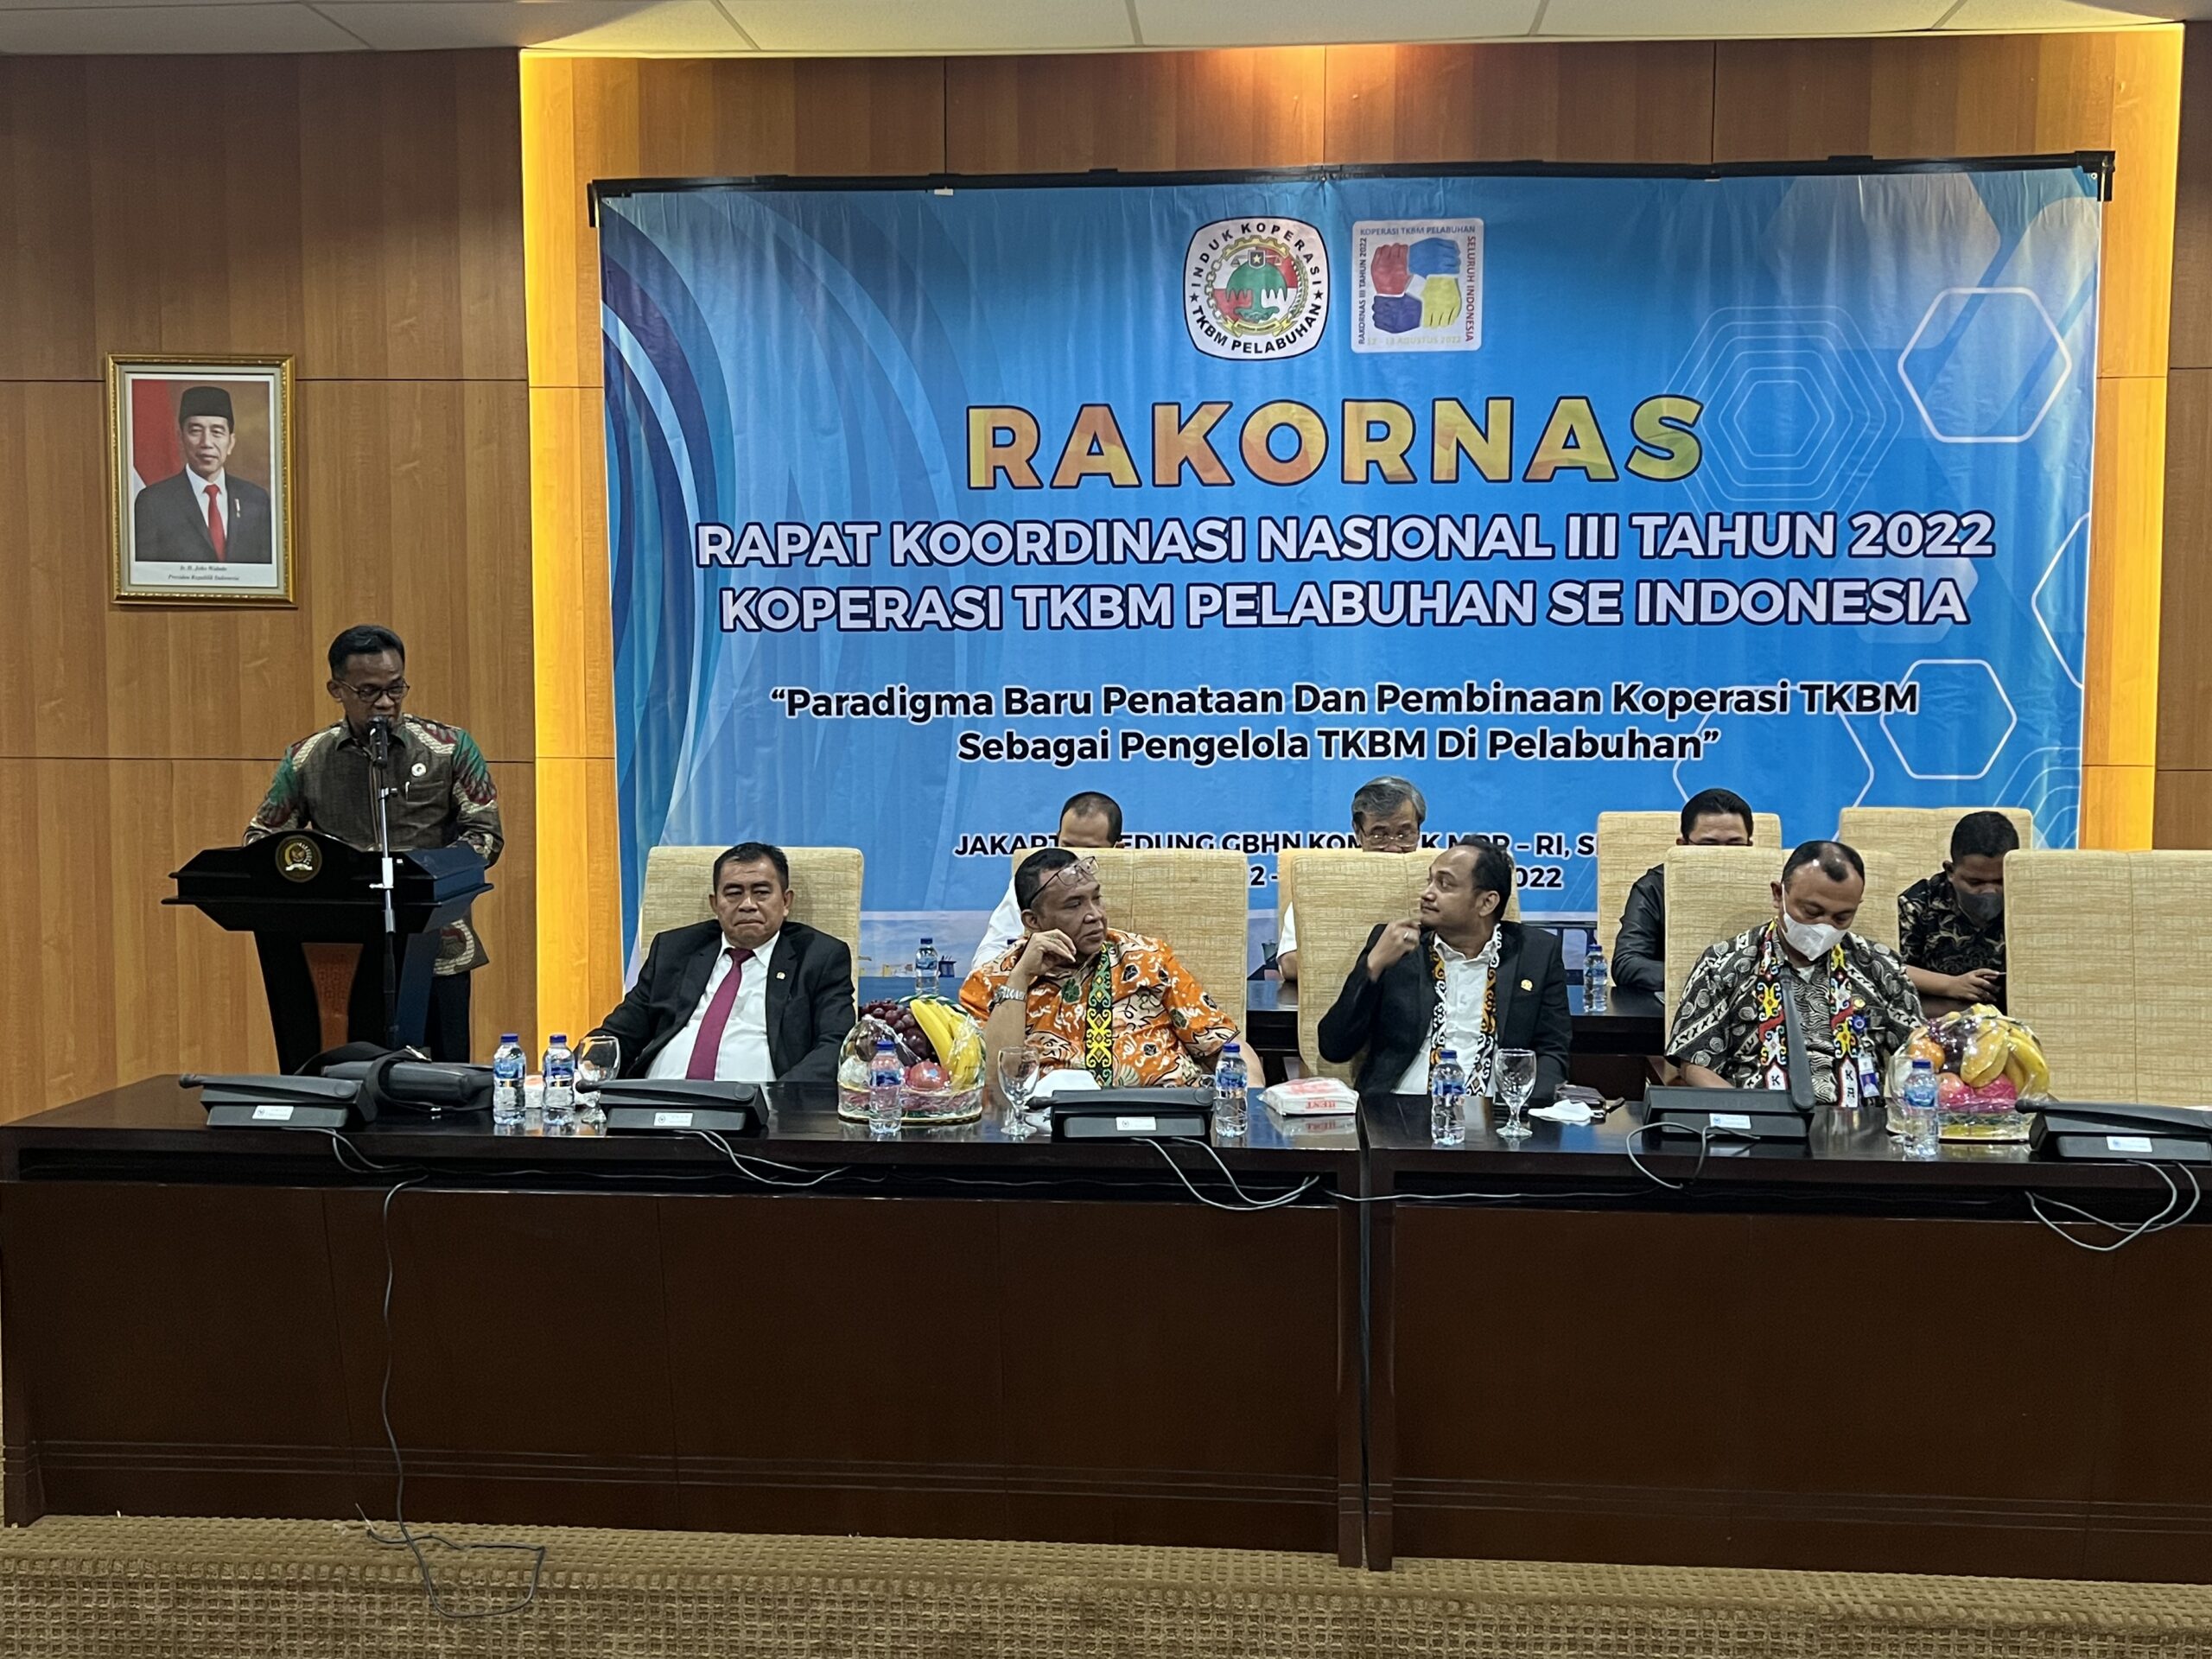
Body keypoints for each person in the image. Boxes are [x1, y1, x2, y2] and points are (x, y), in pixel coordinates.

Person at [246, 625, 502, 1060]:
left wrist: (424, 876)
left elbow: (485, 835)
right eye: (368, 691)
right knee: (349, 1074)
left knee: (441, 1082)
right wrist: (316, 872)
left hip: (437, 946)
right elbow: (260, 839)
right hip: (340, 949)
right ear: (337, 690)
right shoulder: (306, 759)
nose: (385, 703)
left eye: (395, 688)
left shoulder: (449, 748)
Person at [1669, 841, 1923, 1109]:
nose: (1824, 926)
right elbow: (1695, 1064)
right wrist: (1747, 1113)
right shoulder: (1723, 964)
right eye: (1812, 912)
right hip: (1760, 1120)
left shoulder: (1880, 966)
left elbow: (1920, 1053)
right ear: (1778, 894)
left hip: (1862, 1124)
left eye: (1841, 918)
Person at [1316, 842, 1572, 1103]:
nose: (1427, 893)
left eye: (1445, 884)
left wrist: (1525, 1110)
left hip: (1495, 1113)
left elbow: (1552, 1051)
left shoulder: (1536, 953)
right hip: (1398, 1109)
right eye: (1429, 881)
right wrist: (1373, 966)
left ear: (1487, 902)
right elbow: (1334, 1048)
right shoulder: (1396, 946)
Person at [961, 847, 1237, 1086]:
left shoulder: (1147, 958)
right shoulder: (989, 983)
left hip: (1168, 1118)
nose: (1095, 915)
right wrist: (1020, 978)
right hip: (1049, 1126)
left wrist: (1247, 1097)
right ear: (1033, 921)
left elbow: (1223, 1047)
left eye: (1096, 898)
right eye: (1074, 905)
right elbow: (995, 1083)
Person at [592, 842, 855, 1082]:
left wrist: (780, 1102)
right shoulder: (674, 951)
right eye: (733, 893)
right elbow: (620, 1034)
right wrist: (584, 1066)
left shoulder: (819, 957)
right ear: (715, 904)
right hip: (655, 1102)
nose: (747, 904)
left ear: (786, 902)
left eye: (761, 892)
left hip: (757, 1108)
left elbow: (836, 1045)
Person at [1277, 775, 1428, 982]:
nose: (1393, 848)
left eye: (1404, 834)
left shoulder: (1439, 887)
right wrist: (1373, 961)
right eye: (1379, 835)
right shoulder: (1320, 886)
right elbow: (1289, 964)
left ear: (1418, 831)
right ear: (1358, 833)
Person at [1610, 787, 1756, 995]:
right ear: (1683, 845)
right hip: (1677, 1002)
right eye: (1709, 844)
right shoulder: (1655, 887)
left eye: (1735, 844)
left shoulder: (1774, 887)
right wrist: (1706, 978)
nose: (1723, 854)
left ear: (1750, 845)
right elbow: (1627, 963)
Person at [972, 790, 1122, 966]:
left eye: (1089, 851)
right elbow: (987, 957)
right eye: (1067, 846)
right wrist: (1021, 967)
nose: (1077, 859)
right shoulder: (1039, 884)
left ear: (1117, 849)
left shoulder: (1142, 884)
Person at [131, 386, 274, 564]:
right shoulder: (153, 502)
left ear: (231, 443)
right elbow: (145, 573)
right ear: (180, 439)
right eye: (196, 431)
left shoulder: (256, 500)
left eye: (217, 432)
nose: (206, 443)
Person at [1898, 810, 2018, 1014]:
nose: (1989, 891)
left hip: (2016, 1014)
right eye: (1975, 882)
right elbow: (1887, 967)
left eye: (2000, 881)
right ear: (1950, 871)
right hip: (1937, 1013)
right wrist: (1951, 985)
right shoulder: (1917, 905)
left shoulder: (2031, 904)